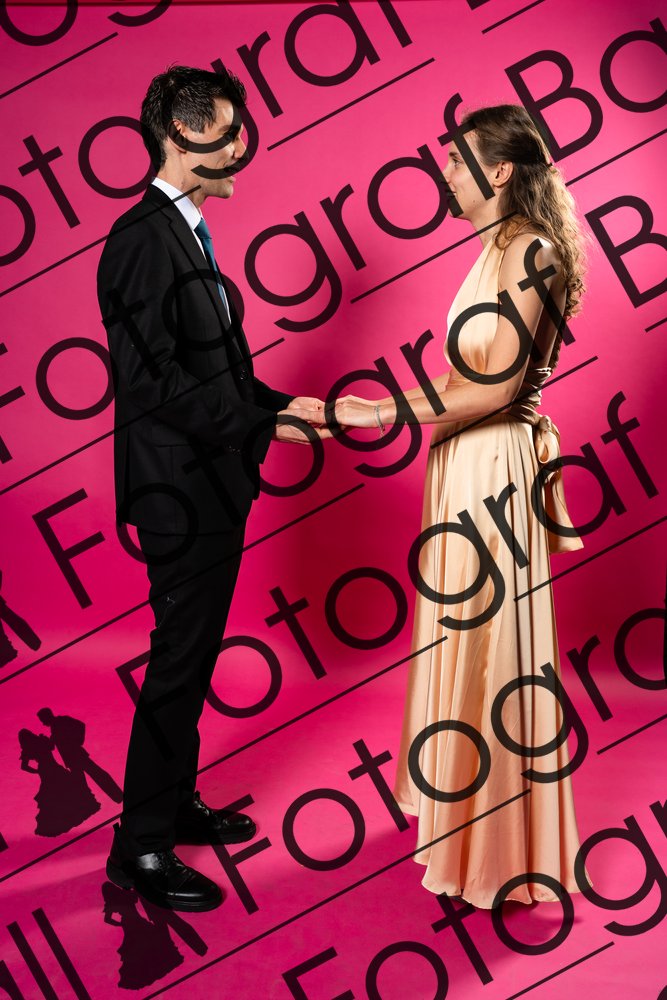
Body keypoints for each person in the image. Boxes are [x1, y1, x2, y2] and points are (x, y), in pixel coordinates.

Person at [331, 104, 593, 908]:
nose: (444, 173)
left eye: (456, 159)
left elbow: (493, 389)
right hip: (462, 465)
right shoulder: (497, 248)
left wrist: (374, 414)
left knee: (491, 650)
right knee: (461, 637)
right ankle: (459, 818)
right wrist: (363, 408)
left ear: (499, 170)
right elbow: (456, 382)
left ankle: (500, 851)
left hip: (493, 470)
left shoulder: (532, 251)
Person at [97, 64, 324, 912]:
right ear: (181, 136)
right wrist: (258, 427)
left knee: (191, 660)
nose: (240, 148)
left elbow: (214, 370)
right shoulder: (141, 239)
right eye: (227, 133)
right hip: (176, 493)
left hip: (210, 485)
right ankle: (139, 848)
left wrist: (283, 406)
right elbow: (149, 381)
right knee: (178, 661)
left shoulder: (185, 231)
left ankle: (172, 803)